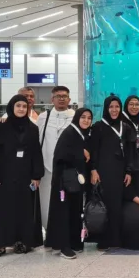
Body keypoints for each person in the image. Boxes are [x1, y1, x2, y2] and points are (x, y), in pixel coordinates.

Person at [0, 95, 44, 257]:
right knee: (4, 210)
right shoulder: (1, 128)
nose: (21, 109)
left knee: (24, 210)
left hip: (25, 175)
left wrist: (37, 175)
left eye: (24, 106)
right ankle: (0, 244)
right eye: (18, 106)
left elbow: (36, 153)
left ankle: (21, 241)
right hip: (6, 174)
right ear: (11, 107)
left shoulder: (33, 128)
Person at [45, 108, 92, 260]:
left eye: (89, 118)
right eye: (83, 117)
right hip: (63, 182)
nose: (86, 120)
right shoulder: (69, 133)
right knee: (63, 212)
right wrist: (81, 152)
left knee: (74, 211)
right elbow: (61, 156)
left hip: (74, 181)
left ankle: (74, 242)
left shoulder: (81, 134)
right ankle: (63, 246)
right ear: (77, 117)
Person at [89, 96, 135, 250]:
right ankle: (103, 239)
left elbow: (130, 152)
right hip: (103, 171)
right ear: (106, 108)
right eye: (111, 107)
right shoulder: (98, 127)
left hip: (119, 172)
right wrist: (93, 169)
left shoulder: (126, 127)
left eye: (117, 106)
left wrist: (129, 171)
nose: (114, 110)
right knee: (104, 205)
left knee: (117, 206)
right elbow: (93, 150)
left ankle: (115, 239)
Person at [37, 86, 75, 232]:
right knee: (46, 202)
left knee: (67, 202)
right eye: (58, 96)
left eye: (64, 96)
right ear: (52, 99)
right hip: (47, 168)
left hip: (67, 168)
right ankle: (49, 232)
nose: (61, 99)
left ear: (69, 99)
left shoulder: (75, 116)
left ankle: (67, 233)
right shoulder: (43, 117)